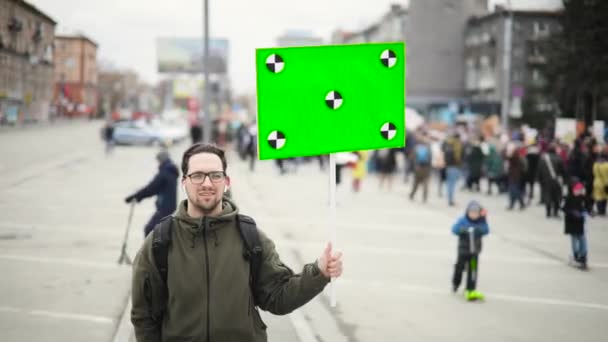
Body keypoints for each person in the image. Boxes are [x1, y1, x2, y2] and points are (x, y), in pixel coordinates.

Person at [131, 143, 343, 342]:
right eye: (197, 176)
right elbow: (144, 316)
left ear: (226, 182)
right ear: (184, 181)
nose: (207, 183)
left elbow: (278, 297)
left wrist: (319, 273)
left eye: (215, 175)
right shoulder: (160, 241)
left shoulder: (250, 236)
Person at [125, 150, 179, 236]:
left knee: (149, 229)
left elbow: (151, 188)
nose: (158, 163)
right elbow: (153, 189)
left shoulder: (165, 173)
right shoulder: (170, 171)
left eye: (158, 160)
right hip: (169, 208)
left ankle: (153, 249)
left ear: (161, 160)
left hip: (165, 209)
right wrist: (138, 196)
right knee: (157, 231)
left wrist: (135, 196)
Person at [451, 201, 489, 301]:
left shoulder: (481, 222)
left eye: (476, 213)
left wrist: (480, 229)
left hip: (474, 252)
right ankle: (456, 282)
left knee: (472, 270)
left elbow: (486, 230)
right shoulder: (463, 221)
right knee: (459, 267)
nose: (473, 215)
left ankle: (470, 289)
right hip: (463, 251)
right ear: (467, 212)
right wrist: (462, 230)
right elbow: (454, 229)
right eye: (471, 212)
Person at [561, 181, 589, 269]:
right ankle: (576, 255)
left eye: (580, 189)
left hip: (580, 223)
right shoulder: (568, 198)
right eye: (577, 189)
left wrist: (589, 211)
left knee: (582, 238)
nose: (579, 191)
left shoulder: (583, 198)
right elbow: (564, 208)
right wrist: (572, 212)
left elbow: (588, 206)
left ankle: (583, 256)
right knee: (574, 239)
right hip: (571, 223)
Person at [537, 145, 566, 218]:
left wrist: (539, 180)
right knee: (556, 196)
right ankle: (555, 212)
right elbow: (563, 171)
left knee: (548, 195)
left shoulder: (543, 159)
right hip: (556, 180)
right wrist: (564, 180)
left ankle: (548, 212)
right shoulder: (559, 158)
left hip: (546, 181)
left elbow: (539, 170)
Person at [442, 133, 463, 206]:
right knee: (452, 184)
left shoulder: (448, 144)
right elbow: (459, 158)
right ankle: (451, 200)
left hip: (448, 166)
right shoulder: (457, 146)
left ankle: (450, 199)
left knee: (449, 184)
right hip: (454, 167)